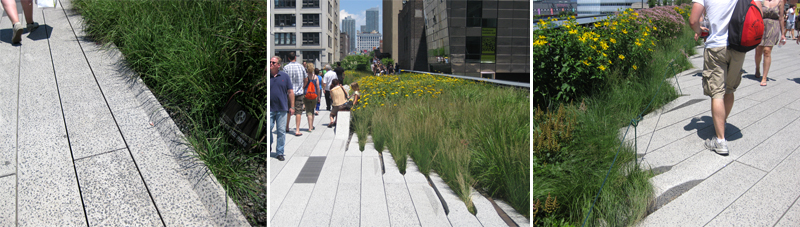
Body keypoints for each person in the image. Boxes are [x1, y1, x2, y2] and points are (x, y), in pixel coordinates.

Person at [690, 0, 762, 156]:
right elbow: (757, 11)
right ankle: (722, 122)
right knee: (729, 89)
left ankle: (720, 141)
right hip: (738, 46)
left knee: (717, 93)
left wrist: (699, 30)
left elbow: (693, 20)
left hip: (716, 46)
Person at [754, 0, 785, 87]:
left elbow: (781, 17)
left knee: (767, 51)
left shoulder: (780, 1)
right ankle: (757, 68)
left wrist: (783, 34)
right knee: (758, 51)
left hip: (773, 27)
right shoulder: (761, 1)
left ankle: (764, 77)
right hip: (760, 26)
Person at [269, 56, 293, 161]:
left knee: (281, 131)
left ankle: (280, 152)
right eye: (270, 62)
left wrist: (291, 106)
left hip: (282, 108)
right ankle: (268, 145)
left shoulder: (285, 76)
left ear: (278, 65)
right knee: (268, 128)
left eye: (273, 63)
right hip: (269, 108)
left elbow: (290, 92)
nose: (271, 64)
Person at [284, 52, 307, 136]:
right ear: (295, 57)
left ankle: (287, 127)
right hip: (299, 92)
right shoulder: (301, 66)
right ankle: (297, 130)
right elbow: (306, 78)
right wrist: (303, 86)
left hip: (289, 92)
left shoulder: (286, 67)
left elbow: (284, 80)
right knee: (298, 111)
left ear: (289, 58)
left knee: (288, 110)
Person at [303, 63, 321, 132]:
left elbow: (304, 85)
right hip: (314, 95)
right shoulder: (315, 77)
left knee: (308, 111)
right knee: (312, 110)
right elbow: (318, 87)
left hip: (306, 95)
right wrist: (318, 96)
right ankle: (312, 125)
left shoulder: (305, 76)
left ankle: (309, 127)